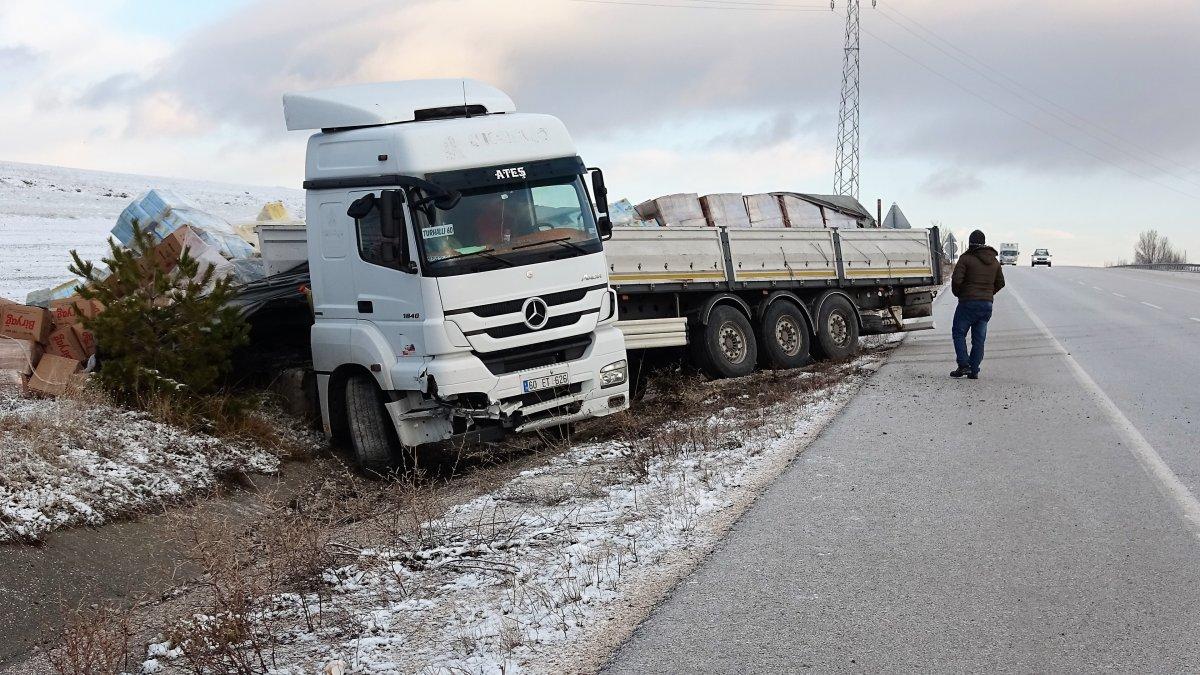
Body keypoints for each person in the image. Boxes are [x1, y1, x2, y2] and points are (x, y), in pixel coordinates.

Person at [950, 229, 1005, 379]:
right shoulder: (994, 261)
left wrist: (960, 293)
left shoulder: (966, 258)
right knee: (979, 339)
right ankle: (974, 370)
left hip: (968, 303)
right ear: (984, 242)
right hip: (986, 305)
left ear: (970, 242)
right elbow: (1001, 282)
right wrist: (988, 293)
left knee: (959, 333)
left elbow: (956, 280)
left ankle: (963, 365)